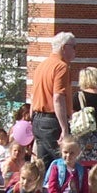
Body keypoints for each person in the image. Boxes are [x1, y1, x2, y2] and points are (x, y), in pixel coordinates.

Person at [27, 32, 76, 164]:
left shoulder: (41, 66)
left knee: (44, 164)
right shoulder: (61, 67)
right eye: (74, 47)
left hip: (38, 119)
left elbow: (33, 95)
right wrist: (64, 129)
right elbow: (58, 98)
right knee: (64, 161)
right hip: (52, 120)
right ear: (64, 47)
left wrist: (33, 120)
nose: (75, 51)